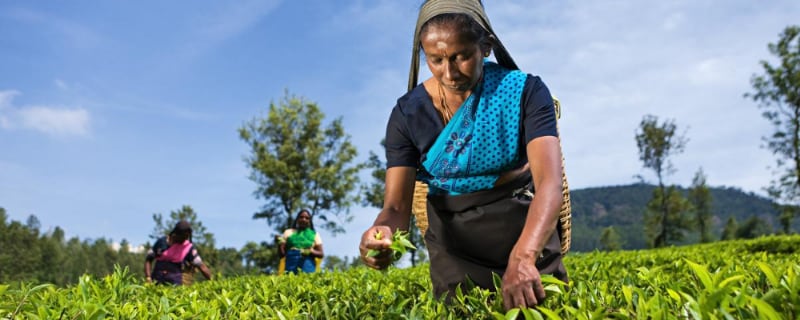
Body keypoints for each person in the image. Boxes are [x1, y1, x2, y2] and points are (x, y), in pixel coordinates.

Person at [358, 0, 568, 311]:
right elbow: (396, 206)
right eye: (436, 59)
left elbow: (548, 183)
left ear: (486, 47)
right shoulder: (407, 114)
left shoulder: (524, 91)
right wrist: (382, 232)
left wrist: (523, 257)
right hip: (454, 245)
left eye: (461, 57)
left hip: (524, 232)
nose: (449, 72)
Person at [144, 220, 212, 285]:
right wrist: (148, 277)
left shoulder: (188, 248)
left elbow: (201, 266)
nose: (184, 239)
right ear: (176, 234)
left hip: (174, 284)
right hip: (157, 280)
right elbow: (148, 260)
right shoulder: (162, 242)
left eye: (186, 237)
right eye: (182, 237)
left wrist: (212, 282)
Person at [279, 209, 324, 274]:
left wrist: (310, 251)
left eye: (307, 218)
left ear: (309, 221)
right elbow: (281, 255)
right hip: (290, 265)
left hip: (307, 266)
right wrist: (280, 243)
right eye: (301, 217)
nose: (304, 219)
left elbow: (321, 254)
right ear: (297, 219)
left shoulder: (314, 234)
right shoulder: (288, 232)